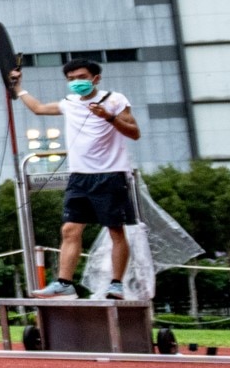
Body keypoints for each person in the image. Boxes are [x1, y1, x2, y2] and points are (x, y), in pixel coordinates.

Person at [15, 59, 143, 299]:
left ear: (95, 78)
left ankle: (116, 284)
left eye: (81, 77)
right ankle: (64, 283)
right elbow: (39, 108)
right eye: (71, 79)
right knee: (70, 229)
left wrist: (109, 117)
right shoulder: (69, 103)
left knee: (115, 230)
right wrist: (18, 88)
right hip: (79, 177)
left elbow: (134, 133)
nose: (76, 83)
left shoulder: (115, 100)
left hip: (110, 174)